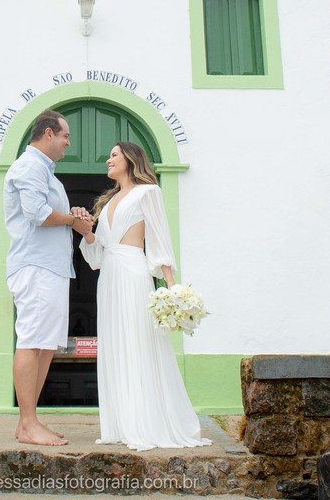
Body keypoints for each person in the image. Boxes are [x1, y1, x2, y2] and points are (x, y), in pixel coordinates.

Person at [78, 141, 211, 451]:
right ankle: (123, 424)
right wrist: (86, 233)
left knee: (138, 342)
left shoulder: (148, 192)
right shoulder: (108, 201)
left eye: (113, 155)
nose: (108, 159)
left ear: (130, 158)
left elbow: (159, 239)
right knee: (115, 346)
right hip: (109, 278)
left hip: (134, 274)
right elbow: (97, 257)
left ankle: (147, 423)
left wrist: (172, 286)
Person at [5, 109, 94, 446]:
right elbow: (37, 214)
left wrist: (72, 216)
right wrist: (72, 221)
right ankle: (28, 423)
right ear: (47, 134)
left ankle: (29, 422)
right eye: (65, 136)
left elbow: (49, 213)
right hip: (36, 266)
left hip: (51, 268)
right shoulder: (30, 166)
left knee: (44, 345)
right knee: (32, 341)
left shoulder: (48, 173)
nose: (68, 143)